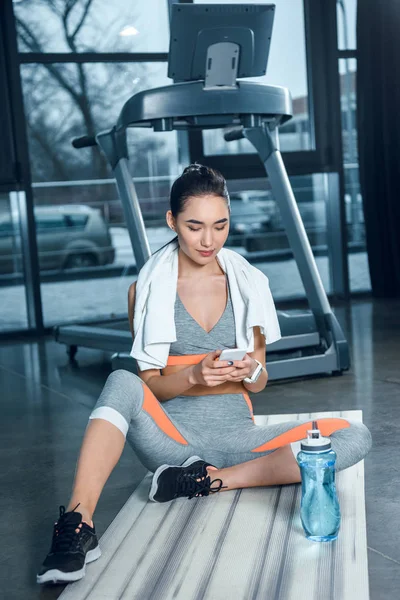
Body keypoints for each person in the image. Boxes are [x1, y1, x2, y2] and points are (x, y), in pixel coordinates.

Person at [37, 164, 372, 585]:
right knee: (122, 380)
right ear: (172, 220)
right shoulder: (146, 289)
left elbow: (260, 381)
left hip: (239, 441)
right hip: (172, 442)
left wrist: (252, 369)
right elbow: (151, 386)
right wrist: (194, 377)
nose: (209, 240)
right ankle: (79, 525)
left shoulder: (248, 283)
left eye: (220, 225)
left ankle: (210, 481)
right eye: (195, 226)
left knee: (353, 434)